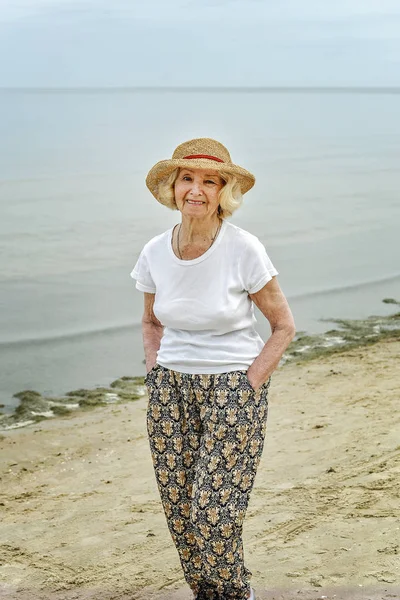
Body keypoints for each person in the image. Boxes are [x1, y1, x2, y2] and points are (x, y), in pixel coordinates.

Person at [131, 138, 296, 600]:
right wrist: (155, 373)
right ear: (174, 187)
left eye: (209, 181)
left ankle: (234, 594)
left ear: (224, 191)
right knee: (181, 513)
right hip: (169, 391)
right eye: (187, 179)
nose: (196, 190)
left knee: (213, 514)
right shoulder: (154, 252)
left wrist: (249, 384)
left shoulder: (245, 248)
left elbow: (283, 326)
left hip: (231, 389)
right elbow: (150, 320)